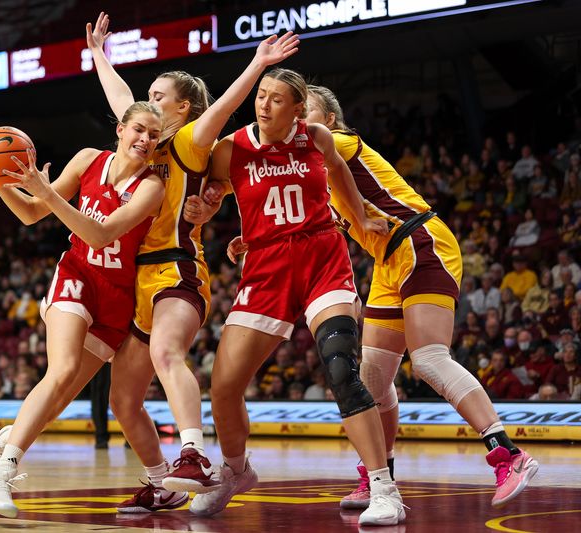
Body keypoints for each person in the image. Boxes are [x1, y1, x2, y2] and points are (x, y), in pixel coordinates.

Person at [83, 13, 300, 513]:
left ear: (182, 108)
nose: (148, 100)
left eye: (159, 96)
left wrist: (257, 63)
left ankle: (195, 455)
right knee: (123, 399)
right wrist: (99, 53)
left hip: (177, 267)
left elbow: (223, 110)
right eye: (148, 97)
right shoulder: (145, 140)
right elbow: (120, 98)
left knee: (166, 355)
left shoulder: (187, 141)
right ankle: (161, 481)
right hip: (135, 278)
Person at [298, 85, 538, 509]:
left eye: (304, 112)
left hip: (421, 240)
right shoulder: (319, 182)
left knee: (428, 360)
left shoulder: (342, 142)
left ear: (328, 120)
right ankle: (381, 479)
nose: (296, 121)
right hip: (388, 262)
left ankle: (509, 456)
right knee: (372, 376)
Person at [186, 68, 404, 526]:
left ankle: (383, 486)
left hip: (322, 258)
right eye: (261, 96)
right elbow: (215, 189)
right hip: (266, 270)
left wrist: (361, 219)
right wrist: (210, 207)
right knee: (224, 388)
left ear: (297, 109)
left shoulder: (317, 138)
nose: (264, 105)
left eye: (276, 99)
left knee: (342, 366)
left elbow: (340, 171)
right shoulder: (232, 148)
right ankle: (236, 471)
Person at [0, 101, 165, 518]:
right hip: (76, 276)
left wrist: (45, 193)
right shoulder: (87, 161)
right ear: (120, 130)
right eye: (139, 130)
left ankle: (9, 439)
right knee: (60, 371)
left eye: (153, 135)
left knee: (59, 397)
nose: (145, 140)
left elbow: (99, 233)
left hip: (116, 297)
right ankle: (0, 475)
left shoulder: (152, 187)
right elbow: (29, 213)